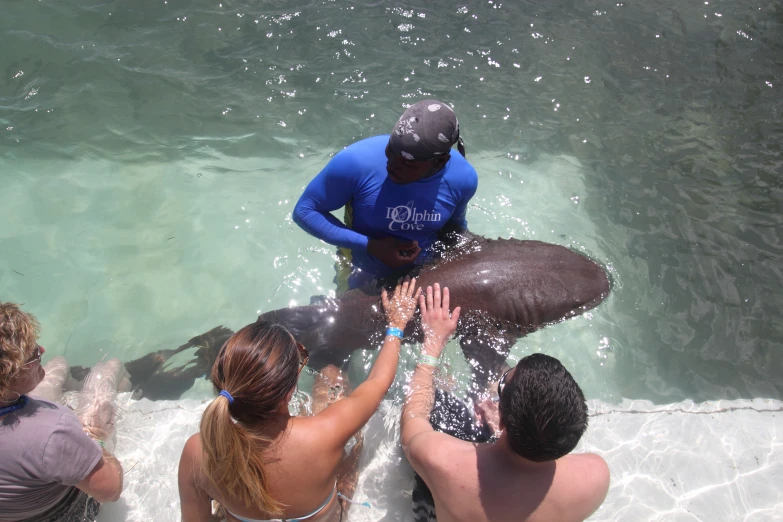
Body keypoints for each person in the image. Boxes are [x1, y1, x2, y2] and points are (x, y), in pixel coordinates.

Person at [178, 278, 422, 522]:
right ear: (288, 391)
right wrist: (396, 325)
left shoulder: (198, 452)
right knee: (333, 381)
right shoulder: (325, 433)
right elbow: (377, 382)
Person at [401, 284, 610, 522]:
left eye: (502, 383)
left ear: (501, 419)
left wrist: (433, 343)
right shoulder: (596, 476)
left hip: (448, 504)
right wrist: (509, 425)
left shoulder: (443, 462)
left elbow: (412, 420)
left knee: (440, 403)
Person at [293, 100, 479, 292]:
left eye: (408, 164)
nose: (392, 165)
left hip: (424, 271)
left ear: (440, 162)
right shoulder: (356, 162)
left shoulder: (463, 179)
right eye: (391, 150)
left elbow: (454, 229)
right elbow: (305, 211)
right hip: (360, 266)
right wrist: (370, 245)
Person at [0, 303, 125, 522]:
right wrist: (95, 440)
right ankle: (131, 387)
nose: (41, 350)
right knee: (108, 371)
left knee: (58, 364)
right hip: (59, 512)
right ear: (12, 371)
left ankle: (70, 385)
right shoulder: (53, 433)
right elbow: (110, 490)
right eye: (32, 353)